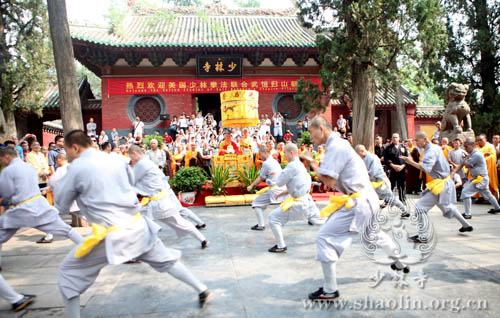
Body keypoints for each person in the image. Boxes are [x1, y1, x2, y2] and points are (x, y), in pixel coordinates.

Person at [53, 130, 211, 317]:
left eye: (66, 150)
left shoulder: (76, 168)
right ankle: (201, 287)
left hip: (112, 233)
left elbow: (62, 205)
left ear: (75, 147)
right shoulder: (116, 160)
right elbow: (131, 184)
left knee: (69, 271)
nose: (66, 155)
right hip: (137, 225)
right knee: (166, 259)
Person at [302, 116, 408, 301]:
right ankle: (399, 262)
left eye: (310, 132)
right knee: (374, 235)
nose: (310, 136)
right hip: (367, 199)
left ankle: (329, 290)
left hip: (358, 202)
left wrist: (311, 162)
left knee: (324, 237)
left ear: (320, 128)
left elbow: (328, 181)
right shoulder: (339, 144)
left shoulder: (335, 146)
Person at [0, 146, 83, 269]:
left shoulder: (8, 171)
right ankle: (88, 248)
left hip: (21, 208)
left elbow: (6, 192)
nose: (2, 162)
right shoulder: (29, 167)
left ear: (7, 156)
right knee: (66, 230)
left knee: (1, 232)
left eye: (1, 159)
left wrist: (5, 199)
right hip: (38, 204)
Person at [128, 145, 208, 249]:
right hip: (161, 201)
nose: (131, 160)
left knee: (138, 222)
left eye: (131, 157)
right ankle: (202, 238)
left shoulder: (141, 164)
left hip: (157, 203)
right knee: (179, 222)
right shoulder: (148, 163)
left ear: (134, 153)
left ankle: (139, 250)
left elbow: (130, 181)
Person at [400, 131, 473, 243]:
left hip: (441, 184)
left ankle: (423, 236)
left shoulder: (431, 150)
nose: (415, 142)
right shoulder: (434, 147)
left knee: (420, 207)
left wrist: (410, 161)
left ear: (424, 139)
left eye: (417, 140)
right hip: (443, 182)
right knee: (447, 207)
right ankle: (466, 225)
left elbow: (425, 168)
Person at [266, 143, 323, 253]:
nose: (284, 155)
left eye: (285, 153)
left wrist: (277, 173)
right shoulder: (300, 165)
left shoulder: (291, 166)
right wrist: (281, 194)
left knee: (273, 218)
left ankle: (281, 246)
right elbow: (296, 184)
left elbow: (279, 182)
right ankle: (336, 234)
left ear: (291, 153)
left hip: (299, 204)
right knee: (319, 221)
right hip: (308, 201)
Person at [355, 145, 409, 217]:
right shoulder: (364, 158)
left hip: (381, 182)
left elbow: (373, 171)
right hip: (373, 182)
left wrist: (364, 177)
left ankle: (404, 210)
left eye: (358, 154)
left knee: (390, 198)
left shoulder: (372, 158)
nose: (358, 156)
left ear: (362, 151)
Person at [453, 138, 500, 218]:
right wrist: (466, 158)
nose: (466, 149)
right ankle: (497, 208)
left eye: (467, 147)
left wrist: (465, 159)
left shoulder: (476, 154)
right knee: (488, 195)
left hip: (479, 179)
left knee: (465, 192)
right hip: (479, 178)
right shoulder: (473, 153)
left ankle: (468, 214)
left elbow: (467, 164)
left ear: (473, 146)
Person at [246, 146, 287, 231]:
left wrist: (251, 186)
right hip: (279, 188)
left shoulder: (267, 163)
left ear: (265, 153)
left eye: (260, 154)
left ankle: (261, 225)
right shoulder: (274, 162)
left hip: (275, 189)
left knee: (256, 203)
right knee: (257, 203)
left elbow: (261, 177)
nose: (259, 156)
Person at [383, 133, 409, 204]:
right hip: (392, 169)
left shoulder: (404, 147)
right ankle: (387, 200)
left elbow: (407, 159)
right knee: (390, 185)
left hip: (402, 169)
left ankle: (402, 199)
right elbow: (386, 158)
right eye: (393, 137)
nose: (394, 139)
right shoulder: (388, 148)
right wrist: (393, 165)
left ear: (399, 138)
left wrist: (402, 166)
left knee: (402, 185)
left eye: (396, 137)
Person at [477, 134, 498, 199]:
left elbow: (493, 156)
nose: (479, 141)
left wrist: (482, 159)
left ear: (485, 139)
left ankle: (492, 198)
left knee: (489, 184)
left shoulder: (490, 146)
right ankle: (480, 197)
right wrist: (484, 155)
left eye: (481, 140)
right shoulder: (476, 147)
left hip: (489, 169)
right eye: (478, 140)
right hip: (478, 170)